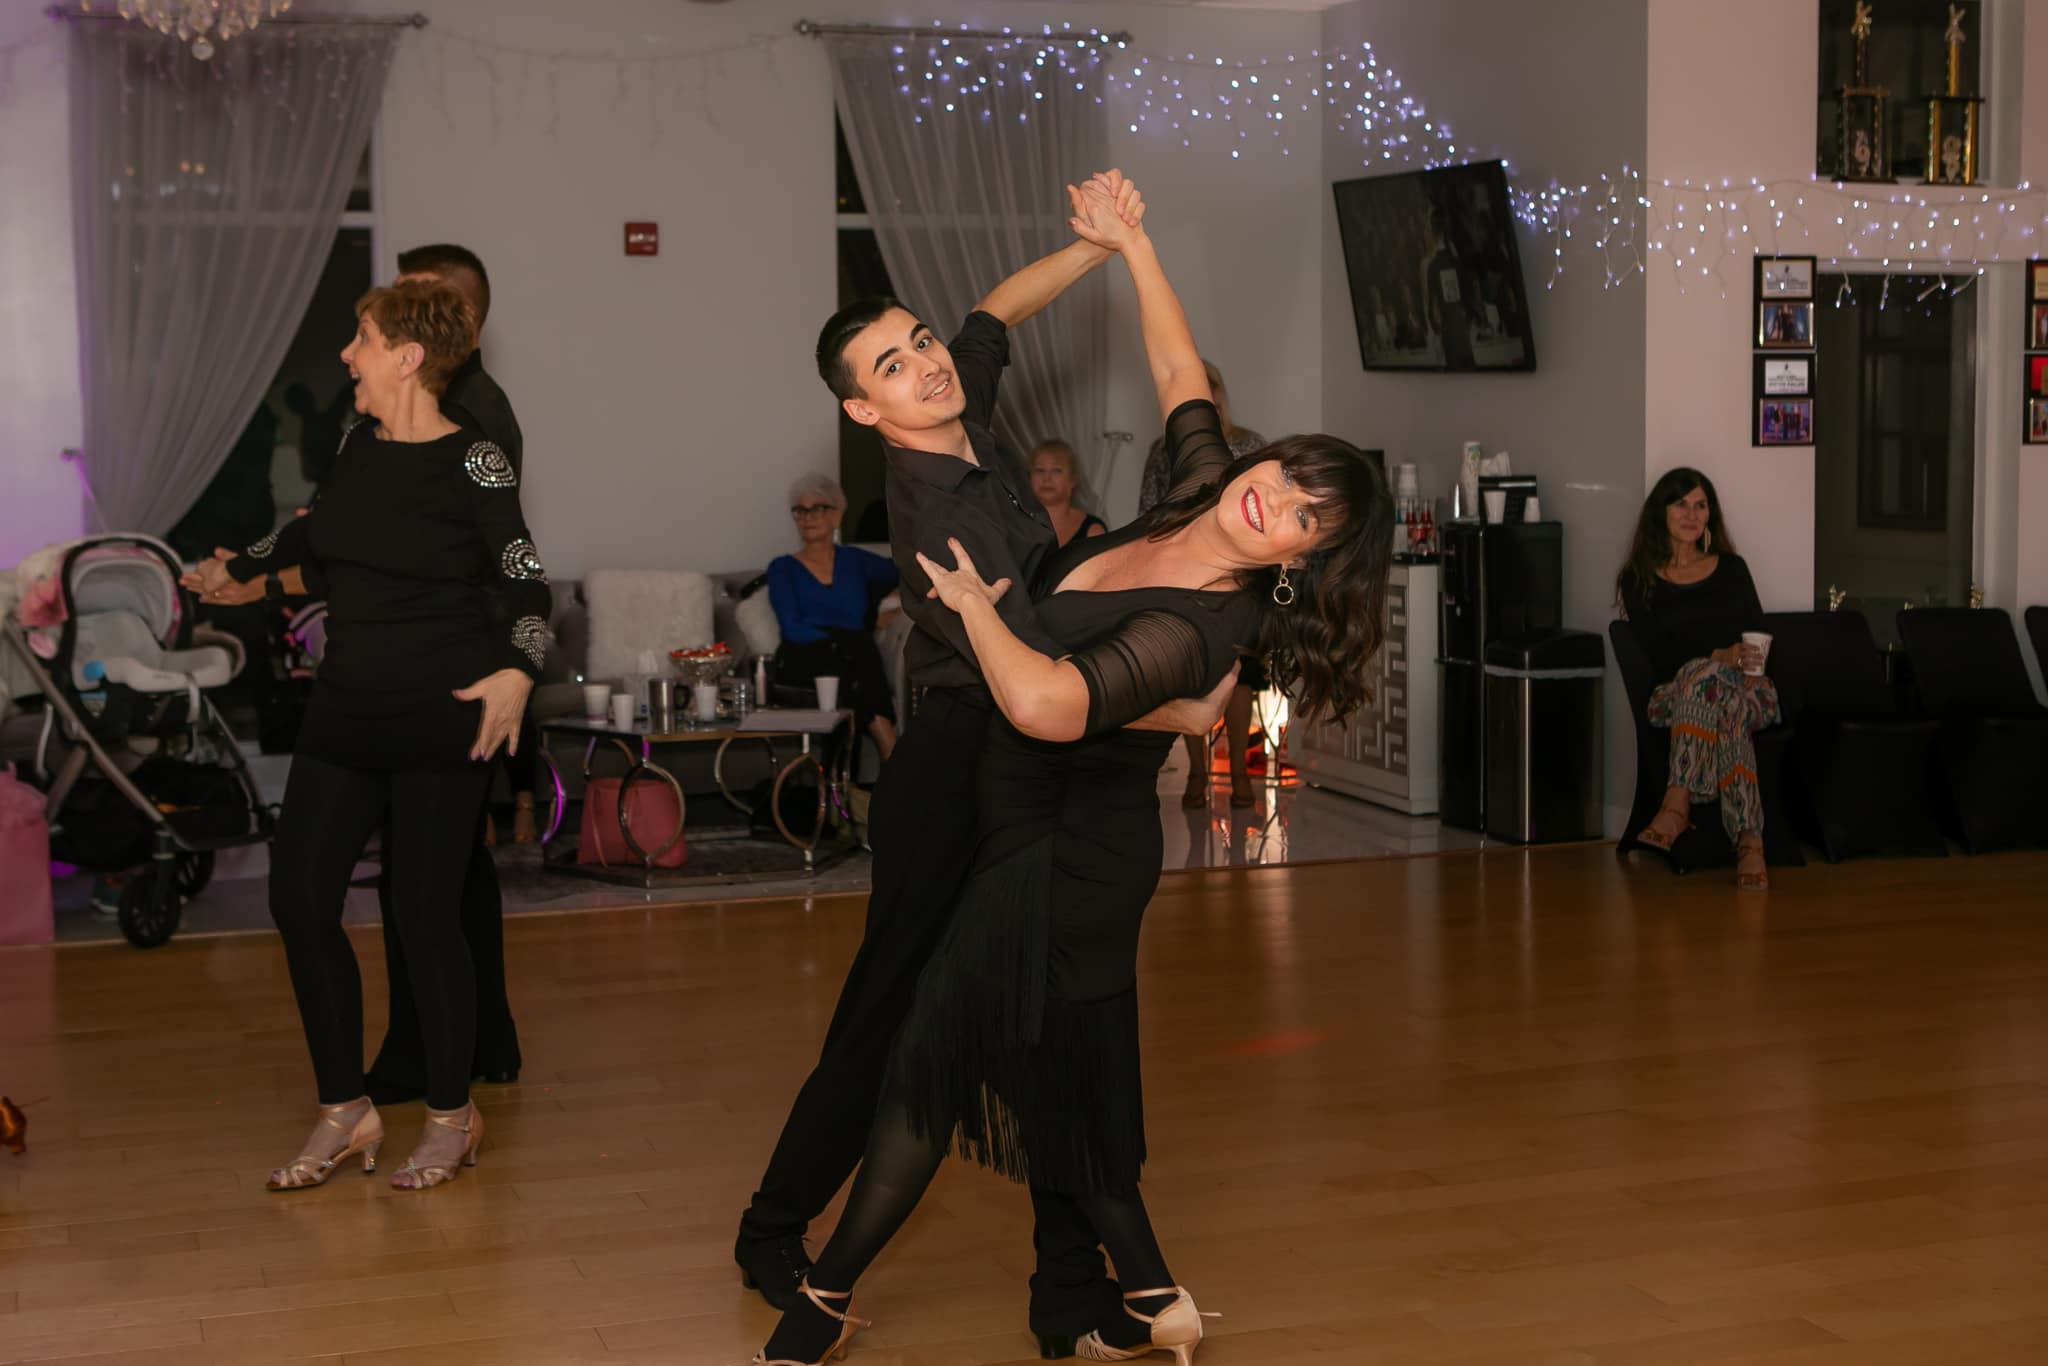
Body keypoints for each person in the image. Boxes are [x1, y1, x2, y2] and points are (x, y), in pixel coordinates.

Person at [754, 172, 1392, 1366]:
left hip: (1066, 842)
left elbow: (1050, 700)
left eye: (1304, 512)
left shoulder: (1201, 616)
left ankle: (825, 1304)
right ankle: (1122, 1298)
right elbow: (1180, 376)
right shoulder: (1199, 488)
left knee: (940, 1060)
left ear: (1305, 556)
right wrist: (1134, 243)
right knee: (1050, 1074)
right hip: (1011, 804)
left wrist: (991, 623)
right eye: (1287, 473)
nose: (1275, 497)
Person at [183, 278, 550, 1189]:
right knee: (300, 900)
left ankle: (450, 1117)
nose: (347, 354)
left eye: (361, 338)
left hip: (443, 716)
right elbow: (314, 536)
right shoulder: (355, 446)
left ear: (408, 356)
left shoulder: (477, 463)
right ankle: (345, 1112)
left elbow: (529, 588)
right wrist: (240, 574)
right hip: (345, 711)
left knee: (425, 918)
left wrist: (519, 667)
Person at [1616, 467, 1779, 891]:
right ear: (1661, 512)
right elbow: (1659, 655)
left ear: (1711, 514)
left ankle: (1677, 802)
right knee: (1702, 681)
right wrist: (1715, 656)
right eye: (1681, 504)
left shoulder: (1732, 569)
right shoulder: (1638, 579)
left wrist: (1738, 661)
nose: (1692, 514)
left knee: (1723, 696)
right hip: (1671, 696)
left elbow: (1757, 633)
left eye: (1701, 505)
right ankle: (1749, 842)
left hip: (1748, 689)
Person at [1136, 360, 1269, 809]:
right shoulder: (1162, 451)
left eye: (1206, 392)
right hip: (1183, 579)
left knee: (1240, 675)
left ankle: (1238, 771)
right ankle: (1197, 771)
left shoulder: (1249, 445)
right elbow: (1149, 516)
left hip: (1241, 578)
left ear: (1218, 395)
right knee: (1187, 673)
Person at [767, 472, 902, 763]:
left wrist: (899, 610)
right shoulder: (782, 568)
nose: (807, 516)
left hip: (855, 654)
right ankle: (891, 753)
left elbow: (907, 573)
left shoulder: (856, 561)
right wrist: (842, 643)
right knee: (856, 652)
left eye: (817, 508)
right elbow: (791, 627)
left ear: (837, 515)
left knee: (856, 655)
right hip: (804, 654)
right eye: (800, 510)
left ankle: (846, 785)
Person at [1028, 438, 1106, 546]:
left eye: (1056, 471)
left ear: (1073, 479)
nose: (1047, 478)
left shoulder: (1093, 530)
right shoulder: (1014, 524)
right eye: (1040, 470)